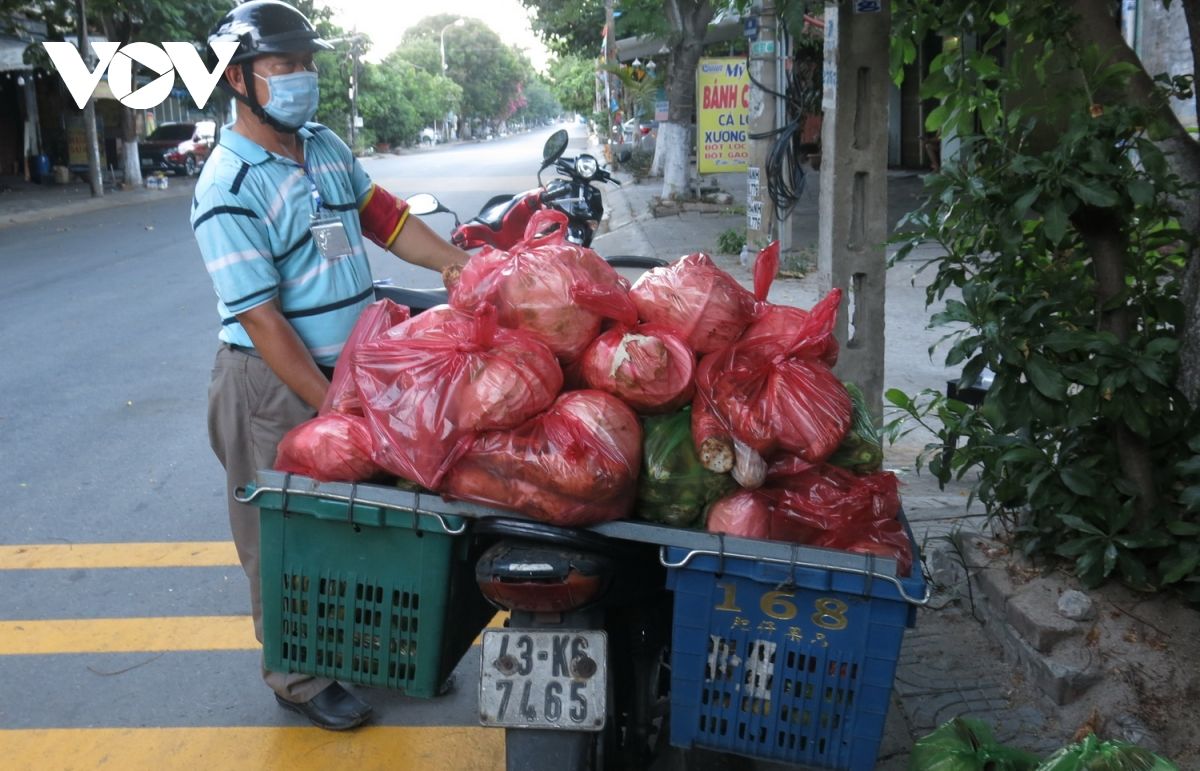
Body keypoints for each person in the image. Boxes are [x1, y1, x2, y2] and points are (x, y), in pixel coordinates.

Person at [191, 0, 468, 731]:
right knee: (286, 533)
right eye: (284, 66)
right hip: (273, 384)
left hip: (353, 373)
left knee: (361, 521)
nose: (301, 79)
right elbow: (262, 318)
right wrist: (336, 402)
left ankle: (368, 648)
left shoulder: (322, 147)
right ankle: (299, 675)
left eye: (308, 64)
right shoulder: (227, 185)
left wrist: (460, 267)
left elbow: (385, 217)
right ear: (239, 80)